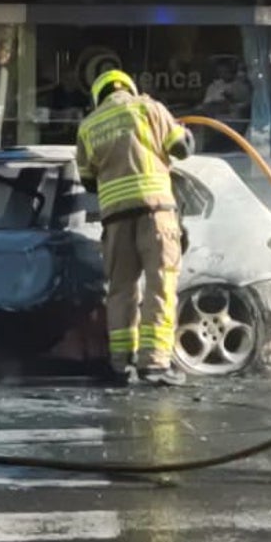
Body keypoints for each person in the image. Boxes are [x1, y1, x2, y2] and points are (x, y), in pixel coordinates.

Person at [75, 69, 195, 388]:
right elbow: (181, 149)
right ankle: (154, 364)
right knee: (160, 285)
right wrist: (183, 133)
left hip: (115, 221)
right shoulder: (148, 108)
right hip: (155, 213)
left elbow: (87, 180)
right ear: (128, 86)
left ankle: (120, 365)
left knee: (121, 290)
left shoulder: (88, 127)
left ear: (98, 95)